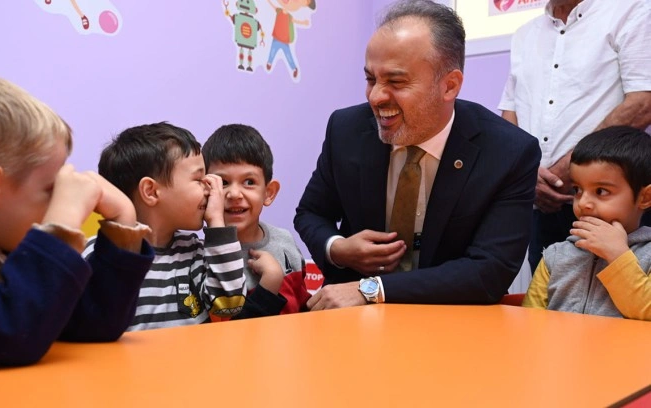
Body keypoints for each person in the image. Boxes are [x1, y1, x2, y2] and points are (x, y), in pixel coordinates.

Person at [295, 0, 541, 310]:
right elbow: (311, 213)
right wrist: (338, 248)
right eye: (370, 79)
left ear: (449, 86)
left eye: (396, 82)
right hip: (350, 317)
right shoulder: (346, 129)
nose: (375, 97)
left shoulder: (508, 152)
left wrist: (372, 289)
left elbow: (490, 271)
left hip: (446, 318)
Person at [0, 73, 155, 366]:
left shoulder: (3, 247)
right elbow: (6, 334)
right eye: (50, 190)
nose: (57, 201)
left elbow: (94, 322)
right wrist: (60, 226)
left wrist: (123, 222)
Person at [498, 0, 651, 272]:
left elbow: (642, 102)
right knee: (548, 293)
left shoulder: (632, 10)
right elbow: (511, 112)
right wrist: (526, 173)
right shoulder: (524, 34)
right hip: (539, 201)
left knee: (621, 293)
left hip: (613, 206)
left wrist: (570, 172)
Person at [84, 122, 259, 330]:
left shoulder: (195, 252)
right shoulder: (100, 255)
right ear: (151, 191)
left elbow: (229, 306)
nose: (210, 189)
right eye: (199, 179)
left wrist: (217, 223)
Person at [522, 126, 651, 320]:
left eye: (601, 191)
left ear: (645, 197)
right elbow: (529, 320)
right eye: (577, 190)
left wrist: (618, 256)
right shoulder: (555, 256)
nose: (583, 203)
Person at [203, 124, 310, 317]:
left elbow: (301, 305)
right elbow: (226, 327)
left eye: (249, 182)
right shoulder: (202, 257)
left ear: (269, 193)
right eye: (223, 183)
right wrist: (270, 282)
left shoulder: (284, 240)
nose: (234, 194)